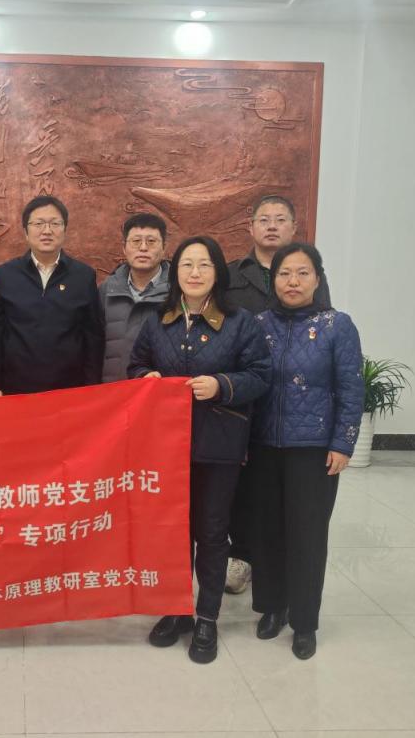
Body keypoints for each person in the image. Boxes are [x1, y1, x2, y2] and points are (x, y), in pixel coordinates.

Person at [128, 235, 271, 664]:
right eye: (187, 265)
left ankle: (207, 616)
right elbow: (135, 364)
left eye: (204, 265)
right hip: (166, 448)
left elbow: (260, 375)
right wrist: (146, 377)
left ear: (217, 273)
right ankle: (176, 610)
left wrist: (221, 385)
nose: (194, 273)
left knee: (210, 531)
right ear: (176, 273)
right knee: (173, 533)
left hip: (218, 445)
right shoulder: (159, 320)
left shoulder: (240, 322)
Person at [248, 241, 363, 660]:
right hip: (263, 446)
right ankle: (272, 607)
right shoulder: (258, 324)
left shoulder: (337, 326)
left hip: (313, 450)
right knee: (267, 532)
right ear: (273, 280)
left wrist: (343, 443)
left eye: (302, 273)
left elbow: (352, 388)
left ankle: (304, 622)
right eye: (284, 273)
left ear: (317, 279)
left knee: (307, 535)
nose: (292, 281)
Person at [223, 194, 331, 594]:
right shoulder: (231, 275)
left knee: (284, 495)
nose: (272, 225)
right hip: (243, 397)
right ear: (250, 227)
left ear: (293, 227)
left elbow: (323, 334)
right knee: (242, 486)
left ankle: (280, 569)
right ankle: (243, 555)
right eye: (264, 219)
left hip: (292, 403)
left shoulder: (308, 273)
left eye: (280, 219)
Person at [0, 195, 104, 395]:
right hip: (16, 388)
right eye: (38, 223)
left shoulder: (83, 276)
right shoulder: (6, 274)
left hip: (69, 389)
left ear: (65, 230)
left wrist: (91, 387)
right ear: (26, 231)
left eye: (55, 223)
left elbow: (93, 337)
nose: (47, 231)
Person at [99, 213, 170, 383]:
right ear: (124, 248)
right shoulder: (107, 289)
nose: (143, 248)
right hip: (111, 390)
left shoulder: (177, 291)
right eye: (136, 241)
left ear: (164, 248)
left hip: (156, 390)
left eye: (151, 241)